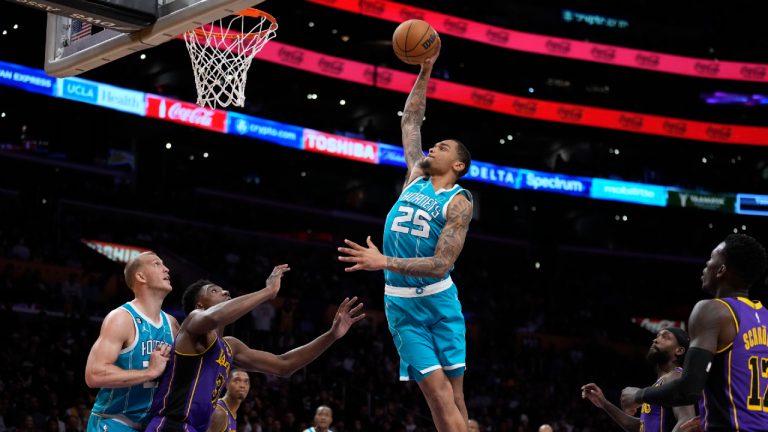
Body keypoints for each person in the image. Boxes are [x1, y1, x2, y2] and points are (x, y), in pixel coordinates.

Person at [337, 42, 473, 432]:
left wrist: (384, 262)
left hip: (439, 300)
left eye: (443, 147)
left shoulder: (459, 202)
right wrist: (425, 70)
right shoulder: (416, 175)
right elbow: (411, 121)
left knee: (457, 396)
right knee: (436, 393)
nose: (433, 147)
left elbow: (442, 263)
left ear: (458, 165)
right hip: (401, 305)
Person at [145, 264, 365, 432]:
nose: (224, 293)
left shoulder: (231, 347)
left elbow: (284, 366)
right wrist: (267, 292)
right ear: (200, 305)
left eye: (224, 291)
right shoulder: (193, 324)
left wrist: (332, 336)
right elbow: (218, 316)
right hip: (170, 424)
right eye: (214, 291)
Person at [621, 234, 768, 432]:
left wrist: (638, 395)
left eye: (711, 259)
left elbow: (689, 389)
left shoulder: (712, 310)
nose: (706, 265)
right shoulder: (765, 316)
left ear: (722, 270)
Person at [85, 251, 179, 431]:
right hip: (113, 421)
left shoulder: (172, 324)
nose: (166, 269)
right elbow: (94, 374)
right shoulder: (121, 318)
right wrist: (149, 372)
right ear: (140, 276)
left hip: (150, 426)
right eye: (157, 264)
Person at [582, 327, 696, 432]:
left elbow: (686, 421)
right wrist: (604, 403)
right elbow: (641, 426)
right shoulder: (659, 384)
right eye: (657, 336)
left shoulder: (675, 375)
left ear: (679, 350)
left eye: (665, 337)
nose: (655, 340)